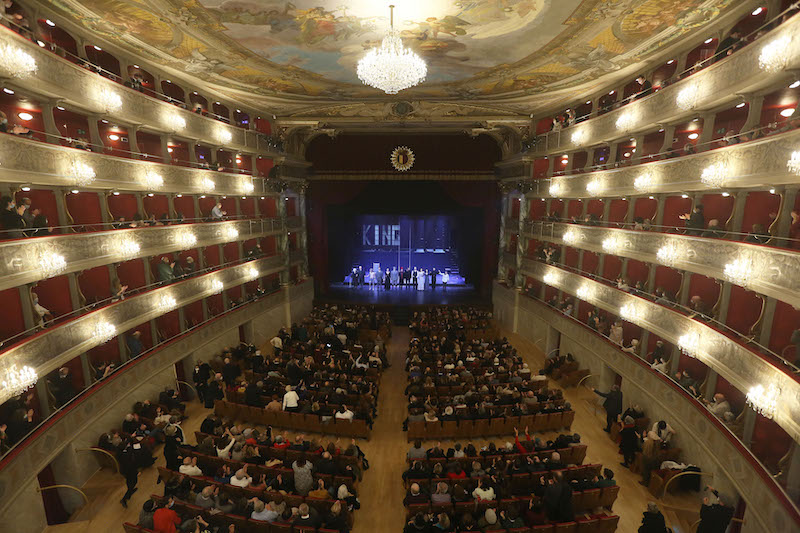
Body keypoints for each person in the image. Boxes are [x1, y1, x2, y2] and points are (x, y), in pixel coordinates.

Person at [119, 442, 140, 508]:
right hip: (130, 472)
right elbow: (131, 465)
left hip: (125, 471)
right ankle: (124, 499)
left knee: (130, 482)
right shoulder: (126, 456)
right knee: (132, 482)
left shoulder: (121, 453)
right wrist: (137, 472)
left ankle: (130, 490)